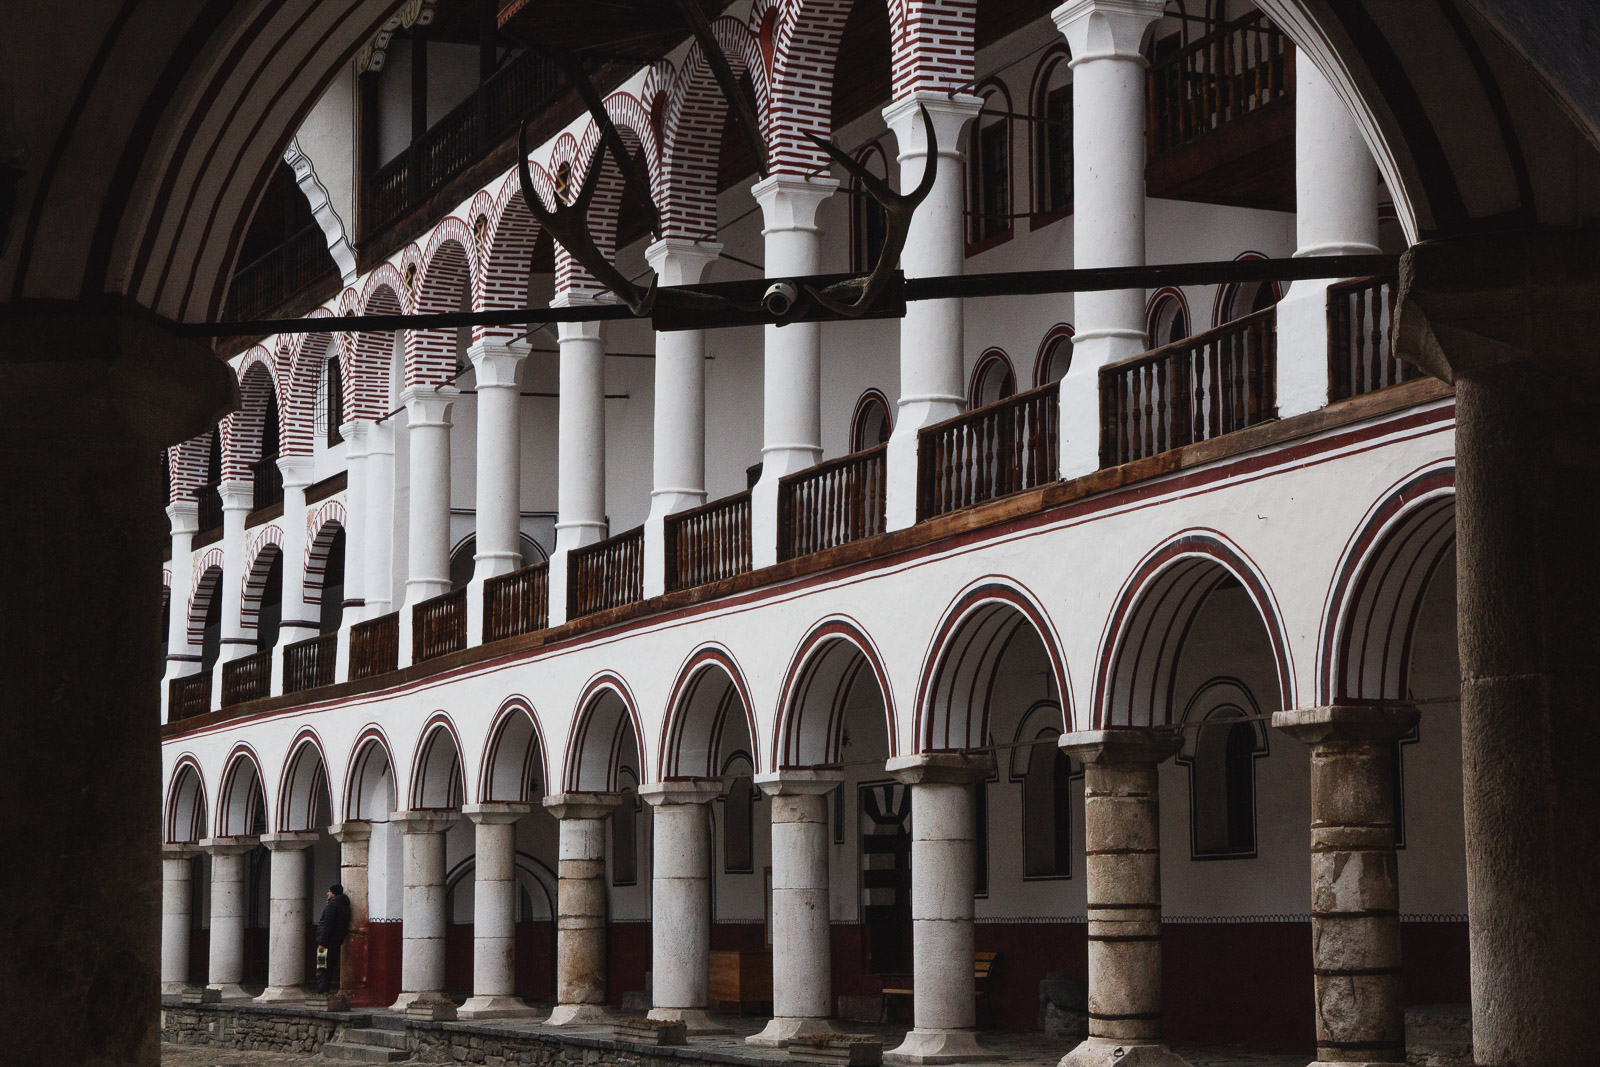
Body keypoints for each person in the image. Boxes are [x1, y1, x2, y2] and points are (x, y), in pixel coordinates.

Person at [315, 883, 352, 994]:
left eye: (329, 891)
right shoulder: (345, 906)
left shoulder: (333, 905)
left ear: (334, 893)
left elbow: (327, 925)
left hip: (326, 943)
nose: (327, 893)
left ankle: (322, 991)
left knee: (322, 967)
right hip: (336, 941)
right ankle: (324, 989)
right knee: (329, 966)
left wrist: (322, 943)